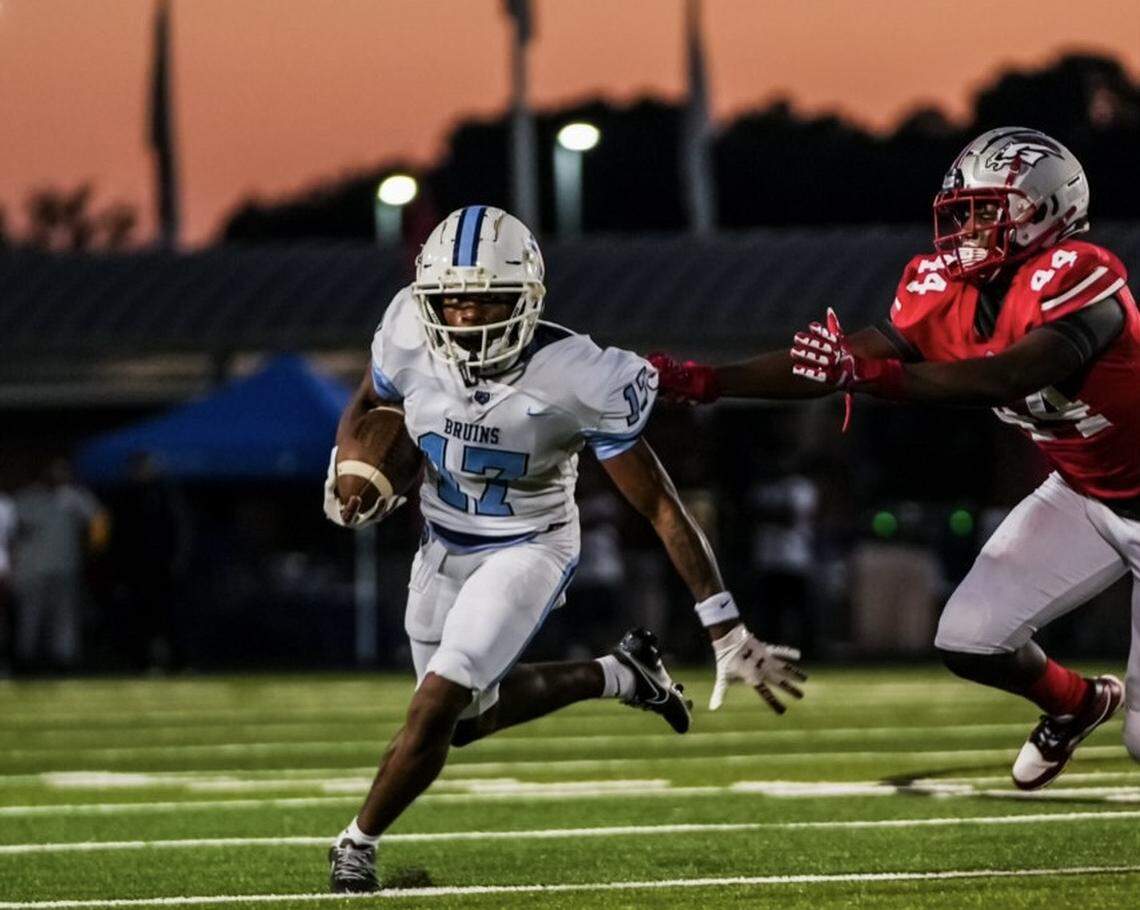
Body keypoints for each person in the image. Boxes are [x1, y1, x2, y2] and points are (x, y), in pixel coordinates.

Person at [322, 205, 805, 893]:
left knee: (435, 703)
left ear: (527, 300)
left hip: (529, 546)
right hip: (441, 540)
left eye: (488, 302)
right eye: (452, 302)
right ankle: (622, 674)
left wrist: (724, 626)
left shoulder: (580, 374)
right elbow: (370, 398)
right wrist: (345, 462)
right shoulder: (405, 329)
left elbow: (661, 505)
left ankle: (355, 844)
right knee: (463, 722)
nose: (467, 320)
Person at [650, 127, 1136, 791]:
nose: (966, 226)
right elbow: (837, 357)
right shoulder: (944, 290)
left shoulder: (1080, 276)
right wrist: (708, 382)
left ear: (1046, 210)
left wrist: (874, 377)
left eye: (986, 210)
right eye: (962, 210)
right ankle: (1077, 703)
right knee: (969, 638)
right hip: (1085, 494)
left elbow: (1009, 376)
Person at [11, 458, 107, 672]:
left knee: (64, 617)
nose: (59, 476)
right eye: (54, 472)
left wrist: (94, 551)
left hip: (65, 567)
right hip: (32, 569)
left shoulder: (73, 497)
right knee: (30, 616)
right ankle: (26, 661)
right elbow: (12, 531)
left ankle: (63, 661)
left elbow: (98, 520)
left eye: (63, 472)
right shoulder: (26, 498)